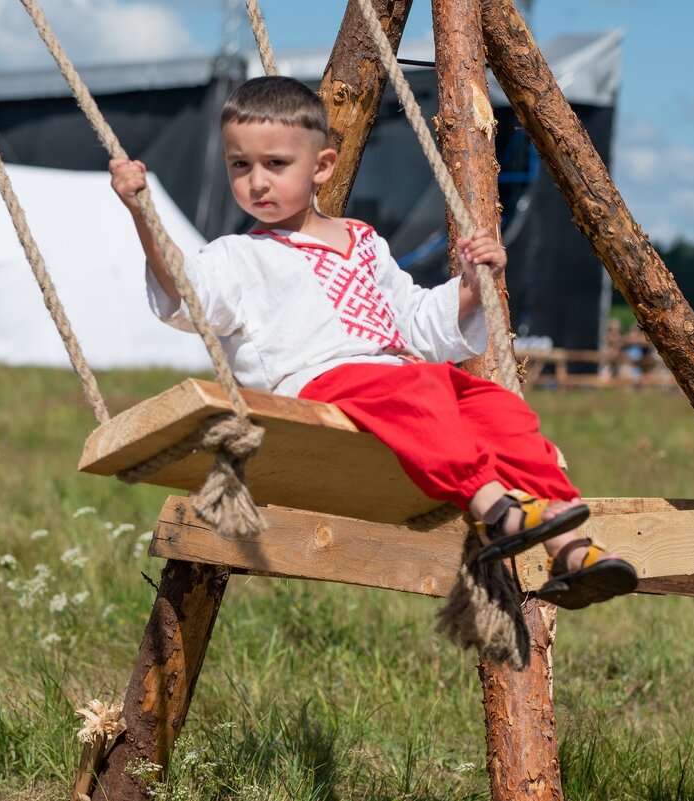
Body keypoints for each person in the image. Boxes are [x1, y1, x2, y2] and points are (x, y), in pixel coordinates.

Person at [110, 76, 637, 609]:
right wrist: (143, 216)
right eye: (239, 165)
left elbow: (414, 322)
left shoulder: (363, 241)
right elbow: (187, 296)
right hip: (317, 384)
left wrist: (472, 290)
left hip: (397, 376)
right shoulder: (235, 257)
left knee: (498, 409)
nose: (256, 182)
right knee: (419, 392)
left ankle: (571, 545)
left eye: (275, 164)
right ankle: (495, 509)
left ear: (322, 167)